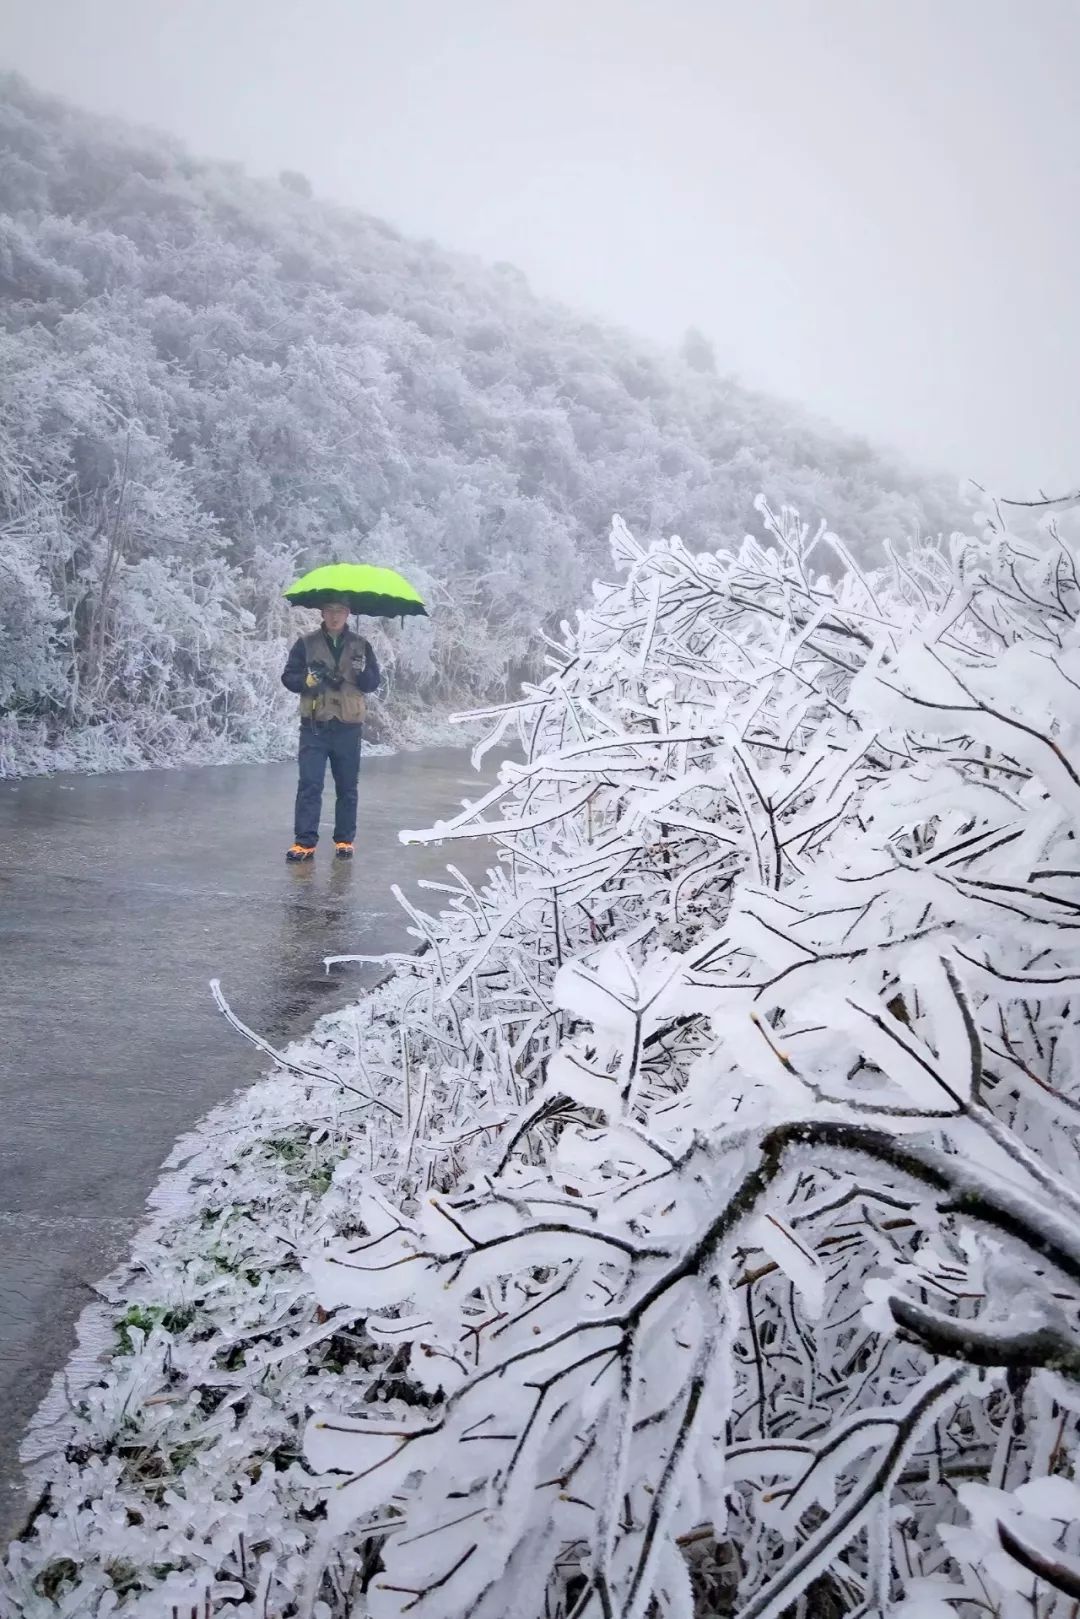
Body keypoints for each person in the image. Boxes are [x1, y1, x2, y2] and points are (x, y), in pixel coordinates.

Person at [280, 599, 380, 861]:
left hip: (348, 726)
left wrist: (361, 671)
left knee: (347, 786)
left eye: (340, 611)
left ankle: (345, 840)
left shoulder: (361, 645)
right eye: (330, 611)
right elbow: (288, 677)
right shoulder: (306, 643)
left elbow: (372, 683)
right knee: (310, 784)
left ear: (348, 613)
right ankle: (304, 842)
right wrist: (306, 680)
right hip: (315, 724)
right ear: (322, 613)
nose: (335, 616)